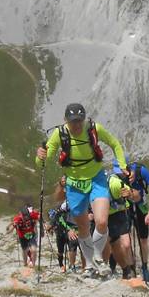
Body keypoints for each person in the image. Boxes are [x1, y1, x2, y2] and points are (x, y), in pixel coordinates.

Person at [36, 103, 128, 276]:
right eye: (73, 122)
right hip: (74, 184)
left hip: (97, 179)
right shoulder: (59, 134)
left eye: (79, 121)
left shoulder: (94, 129)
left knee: (102, 221)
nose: (77, 125)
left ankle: (98, 257)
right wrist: (40, 156)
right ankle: (89, 266)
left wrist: (122, 164)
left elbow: (115, 143)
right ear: (65, 121)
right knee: (83, 227)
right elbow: (43, 162)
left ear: (84, 119)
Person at [114, 160, 149, 282]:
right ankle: (131, 268)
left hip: (141, 207)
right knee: (126, 241)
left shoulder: (141, 171)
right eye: (118, 172)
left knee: (143, 239)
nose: (121, 175)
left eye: (123, 172)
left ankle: (145, 266)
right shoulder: (115, 177)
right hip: (124, 207)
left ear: (129, 168)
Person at [103, 173, 138, 279]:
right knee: (108, 245)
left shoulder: (114, 183)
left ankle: (131, 270)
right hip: (103, 217)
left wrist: (130, 194)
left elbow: (136, 196)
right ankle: (120, 270)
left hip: (120, 214)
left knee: (126, 244)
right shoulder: (89, 185)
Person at [47, 198, 80, 272]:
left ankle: (72, 265)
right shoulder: (57, 214)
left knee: (71, 248)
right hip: (60, 234)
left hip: (68, 233)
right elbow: (50, 225)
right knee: (60, 252)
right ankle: (61, 264)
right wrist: (49, 228)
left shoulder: (70, 213)